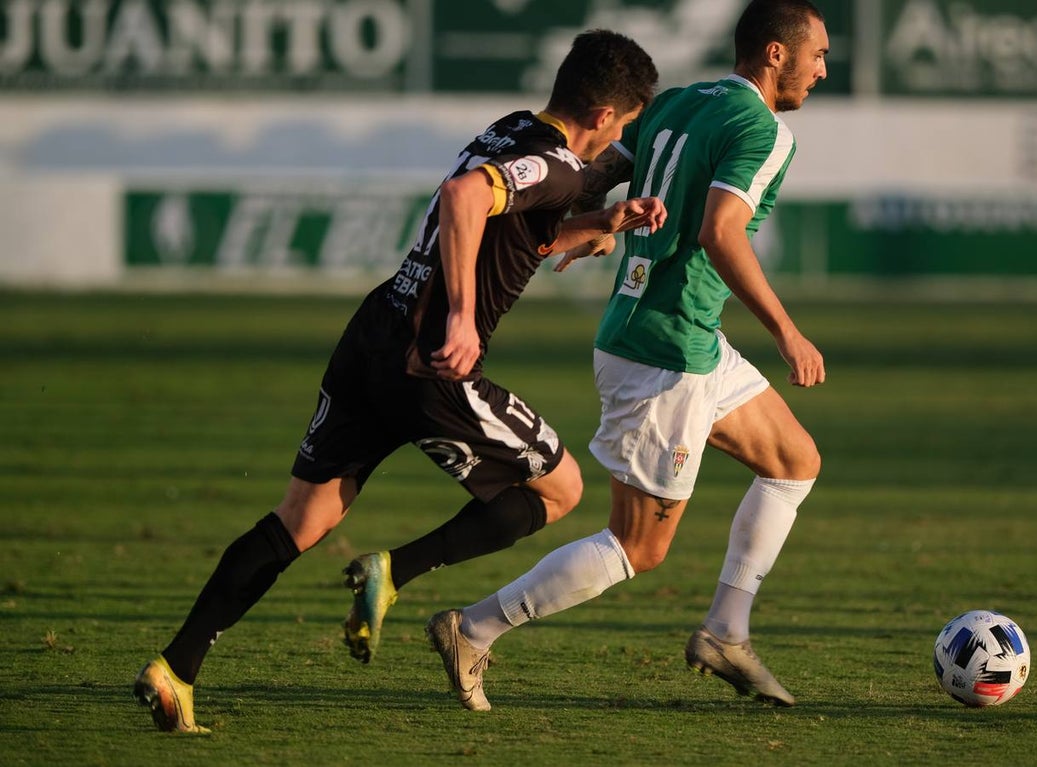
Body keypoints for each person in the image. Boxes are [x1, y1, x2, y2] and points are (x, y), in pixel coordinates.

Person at [133, 29, 662, 733]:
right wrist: (466, 316)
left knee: (301, 520)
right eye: (623, 126)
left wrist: (598, 222)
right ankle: (396, 571)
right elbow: (464, 197)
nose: (616, 141)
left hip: (373, 336)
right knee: (560, 489)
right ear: (602, 117)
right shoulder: (557, 163)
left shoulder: (511, 129)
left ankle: (176, 667)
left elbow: (515, 222)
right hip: (431, 360)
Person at [426, 0, 828, 712]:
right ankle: (472, 627)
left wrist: (594, 228)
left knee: (794, 460)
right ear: (774, 55)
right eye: (816, 55)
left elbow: (604, 167)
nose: (822, 69)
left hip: (682, 337)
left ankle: (726, 631)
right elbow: (720, 232)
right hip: (664, 351)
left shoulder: (678, 101)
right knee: (637, 546)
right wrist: (787, 331)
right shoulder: (764, 130)